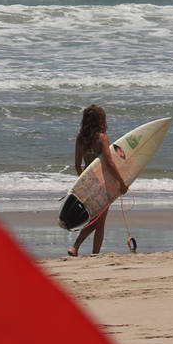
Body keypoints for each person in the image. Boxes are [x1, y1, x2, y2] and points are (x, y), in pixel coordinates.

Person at [67, 104, 128, 256]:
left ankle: (95, 253)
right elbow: (109, 162)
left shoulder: (80, 139)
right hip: (103, 183)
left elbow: (77, 164)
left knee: (99, 221)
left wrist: (83, 183)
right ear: (100, 119)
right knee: (98, 221)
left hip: (88, 182)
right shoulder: (102, 138)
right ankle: (75, 246)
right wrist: (121, 182)